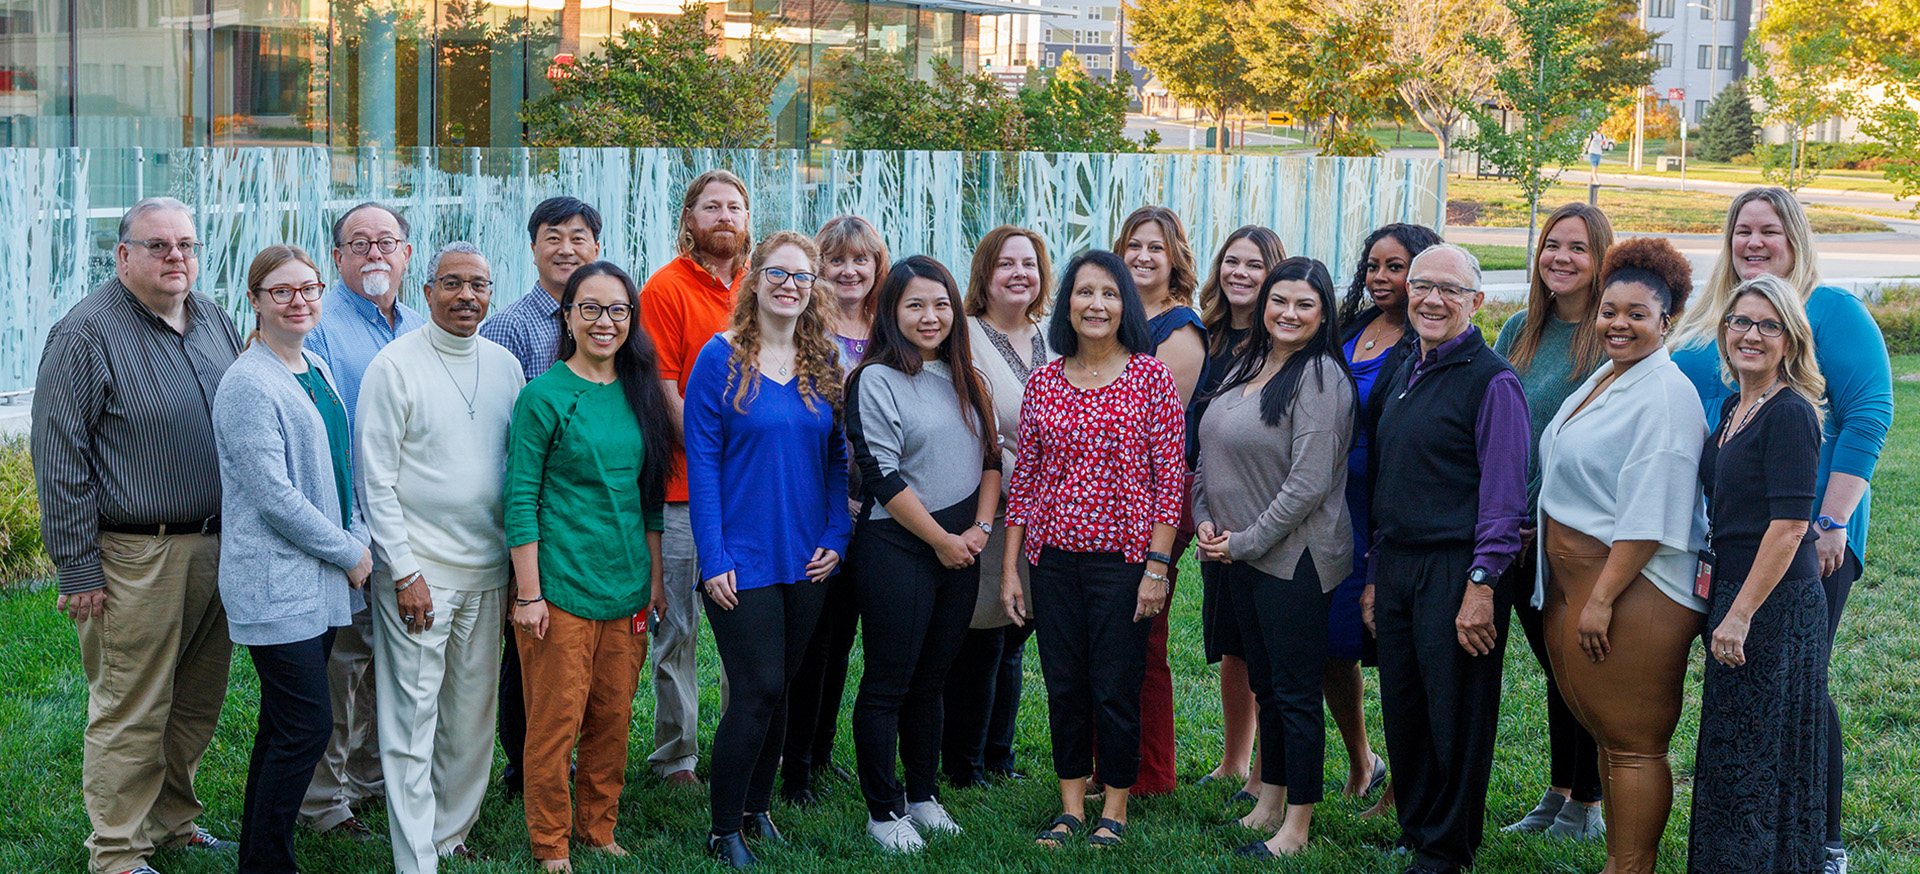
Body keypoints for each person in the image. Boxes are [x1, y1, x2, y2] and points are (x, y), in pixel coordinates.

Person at [1669, 187, 1892, 874]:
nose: (1754, 242)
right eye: (1742, 230)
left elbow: (1868, 415)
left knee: (1799, 685)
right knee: (1757, 691)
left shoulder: (1831, 311)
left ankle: (1818, 840)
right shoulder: (1718, 314)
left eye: (1770, 230)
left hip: (1807, 535)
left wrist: (1831, 522)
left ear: (1796, 238)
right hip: (1730, 533)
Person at [32, 197, 243, 874]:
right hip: (134, 553)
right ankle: (118, 852)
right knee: (132, 703)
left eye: (185, 244)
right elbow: (59, 458)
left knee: (196, 698)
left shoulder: (214, 318)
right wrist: (79, 567)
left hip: (217, 544)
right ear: (123, 255)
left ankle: (174, 822)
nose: (175, 256)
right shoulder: (84, 335)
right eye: (157, 246)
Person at [1534, 237, 1707, 874]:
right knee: (1611, 738)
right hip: (1584, 583)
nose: (1619, 324)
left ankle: (1630, 867)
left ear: (1667, 321)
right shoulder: (1613, 375)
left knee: (1634, 746)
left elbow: (1652, 512)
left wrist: (1601, 598)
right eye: (1610, 310)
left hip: (1634, 589)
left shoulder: (1666, 395)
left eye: (1638, 314)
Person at [1002, 249, 1183, 849]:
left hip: (1125, 563)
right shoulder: (1046, 380)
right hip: (1052, 561)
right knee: (1065, 683)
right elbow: (1023, 481)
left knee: (1115, 684)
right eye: (1084, 293)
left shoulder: (1149, 377)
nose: (1096, 304)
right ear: (1067, 305)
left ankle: (1117, 807)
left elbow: (1169, 480)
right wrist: (1011, 570)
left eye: (1109, 294)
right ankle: (1071, 806)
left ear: (1123, 305)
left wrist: (1158, 567)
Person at [684, 231, 852, 869]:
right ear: (754, 280)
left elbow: (839, 462)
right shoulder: (719, 358)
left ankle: (758, 809)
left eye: (802, 278)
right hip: (742, 556)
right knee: (753, 689)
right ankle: (723, 827)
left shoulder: (823, 361)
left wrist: (838, 537)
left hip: (808, 555)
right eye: (778, 274)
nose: (789, 286)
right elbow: (701, 464)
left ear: (814, 290)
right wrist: (714, 556)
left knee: (781, 687)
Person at [504, 261, 678, 873]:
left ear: (631, 321)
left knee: (612, 720)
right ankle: (550, 843)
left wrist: (655, 579)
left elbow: (648, 497)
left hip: (628, 586)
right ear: (569, 316)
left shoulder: (640, 393)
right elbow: (520, 499)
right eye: (592, 309)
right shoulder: (544, 396)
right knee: (554, 725)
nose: (606, 322)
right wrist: (529, 595)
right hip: (560, 590)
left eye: (618, 311)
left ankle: (597, 829)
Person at [357, 243, 525, 871]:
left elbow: (515, 474)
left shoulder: (506, 366)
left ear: (490, 293)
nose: (465, 296)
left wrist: (515, 572)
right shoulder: (394, 366)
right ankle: (415, 858)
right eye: (451, 283)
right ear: (426, 292)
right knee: (411, 720)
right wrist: (403, 570)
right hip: (419, 575)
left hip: (488, 572)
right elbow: (374, 479)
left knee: (471, 717)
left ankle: (452, 833)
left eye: (478, 284)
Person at [1362, 243, 1528, 874]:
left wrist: (1482, 584)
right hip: (1399, 564)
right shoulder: (1408, 366)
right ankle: (1418, 827)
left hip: (1459, 568)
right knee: (1405, 703)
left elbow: (1504, 497)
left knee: (1455, 711)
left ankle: (1448, 848)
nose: (1432, 299)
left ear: (1477, 302)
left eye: (1450, 291)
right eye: (1423, 285)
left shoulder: (1494, 381)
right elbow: (1390, 483)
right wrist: (1377, 574)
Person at [212, 245, 375, 874]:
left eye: (307, 288)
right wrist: (350, 551)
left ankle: (259, 855)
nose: (299, 300)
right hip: (276, 583)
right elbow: (274, 497)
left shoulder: (315, 368)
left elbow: (341, 468)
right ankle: (269, 861)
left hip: (322, 579)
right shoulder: (248, 383)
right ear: (254, 301)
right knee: (306, 726)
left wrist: (356, 532)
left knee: (282, 726)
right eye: (281, 291)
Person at [1193, 256, 1355, 858]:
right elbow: (1207, 451)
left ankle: (1298, 826)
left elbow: (1309, 483)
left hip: (1294, 559)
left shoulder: (1321, 380)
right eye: (1278, 301)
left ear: (1323, 314)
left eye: (1304, 305)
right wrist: (1206, 518)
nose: (1288, 314)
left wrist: (1244, 541)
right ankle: (1268, 802)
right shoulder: (1249, 363)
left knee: (1293, 692)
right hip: (1236, 552)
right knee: (1266, 684)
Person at [845, 256, 1001, 851]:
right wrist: (942, 542)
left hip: (964, 548)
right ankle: (883, 812)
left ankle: (923, 797)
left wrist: (980, 532)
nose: (930, 316)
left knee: (932, 681)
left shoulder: (969, 378)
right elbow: (880, 474)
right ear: (892, 311)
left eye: (940, 304)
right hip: (899, 548)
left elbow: (992, 459)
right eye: (914, 305)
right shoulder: (875, 379)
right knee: (889, 683)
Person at [1688, 273, 1833, 874]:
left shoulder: (1791, 413)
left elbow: (1791, 527)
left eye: (1767, 325)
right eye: (1740, 322)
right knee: (1732, 747)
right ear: (1724, 331)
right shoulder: (1734, 406)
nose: (1751, 335)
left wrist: (1739, 615)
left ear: (1790, 340)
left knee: (1763, 751)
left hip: (1773, 605)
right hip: (1734, 591)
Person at [301, 200, 428, 839]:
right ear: (338, 257)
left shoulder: (416, 324)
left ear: (407, 253)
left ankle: (373, 781)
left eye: (387, 241)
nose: (374, 253)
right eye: (359, 243)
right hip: (352, 526)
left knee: (393, 661)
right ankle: (324, 803)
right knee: (343, 665)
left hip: (412, 525)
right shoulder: (318, 327)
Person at [1493, 202, 1613, 840]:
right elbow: (1495, 420)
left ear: (1600, 262)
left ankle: (1587, 804)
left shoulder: (1610, 335)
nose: (1560, 258)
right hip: (1506, 529)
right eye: (1551, 245)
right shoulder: (1519, 327)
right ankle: (1558, 792)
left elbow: (1587, 441)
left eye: (1577, 248)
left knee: (1574, 665)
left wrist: (1534, 518)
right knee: (1552, 666)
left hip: (1565, 531)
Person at [478, 195, 604, 799]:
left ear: (596, 250)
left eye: (579, 237)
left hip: (589, 522)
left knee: (577, 647)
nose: (566, 249)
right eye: (553, 237)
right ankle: (522, 764)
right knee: (525, 645)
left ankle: (571, 755)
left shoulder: (609, 320)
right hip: (531, 513)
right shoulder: (506, 326)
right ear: (532, 248)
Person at [638, 169, 754, 789]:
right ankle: (676, 755)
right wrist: (725, 459)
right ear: (689, 219)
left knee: (748, 626)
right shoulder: (665, 288)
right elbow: (663, 394)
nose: (724, 217)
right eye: (712, 207)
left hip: (751, 499)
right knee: (678, 626)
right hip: (684, 491)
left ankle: (749, 737)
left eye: (734, 207)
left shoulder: (761, 290)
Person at [942, 225, 1056, 788]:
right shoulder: (962, 335)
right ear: (984, 275)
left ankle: (998, 756)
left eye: (1029, 264)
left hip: (1048, 514)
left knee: (1016, 632)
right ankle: (963, 765)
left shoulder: (1054, 336)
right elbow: (966, 423)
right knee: (983, 635)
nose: (1019, 274)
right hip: (991, 504)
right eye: (1006, 263)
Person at [781, 214, 889, 805]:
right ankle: (794, 767)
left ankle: (821, 753)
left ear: (877, 267)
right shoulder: (803, 330)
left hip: (878, 506)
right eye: (836, 260)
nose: (849, 271)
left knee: (845, 636)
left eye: (861, 260)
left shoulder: (887, 330)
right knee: (814, 641)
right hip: (817, 504)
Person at [1335, 223, 1441, 818]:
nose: (1380, 278)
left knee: (1398, 651)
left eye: (1394, 267)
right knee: (1332, 642)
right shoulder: (1352, 329)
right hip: (1334, 505)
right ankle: (1361, 759)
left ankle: (1404, 786)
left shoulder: (1424, 339)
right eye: (1373, 265)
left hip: (1388, 504)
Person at [1109, 205, 1205, 798]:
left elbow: (1151, 437)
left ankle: (1148, 774)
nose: (1143, 257)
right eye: (1134, 245)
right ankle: (1105, 763)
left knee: (1142, 642)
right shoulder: (1115, 313)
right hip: (1099, 500)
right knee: (1106, 643)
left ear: (1175, 259)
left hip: (1153, 504)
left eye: (1156, 247)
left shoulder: (1181, 331)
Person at [1190, 224, 1285, 800]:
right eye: (1231, 261)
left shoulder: (1282, 339)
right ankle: (1233, 760)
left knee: (1265, 644)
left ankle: (1261, 774)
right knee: (1231, 641)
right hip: (1214, 508)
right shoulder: (1209, 337)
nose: (1240, 273)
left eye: (1254, 264)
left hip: (1265, 511)